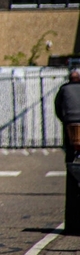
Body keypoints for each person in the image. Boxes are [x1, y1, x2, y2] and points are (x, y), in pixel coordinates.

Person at [55, 69, 80, 235]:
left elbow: (58, 110)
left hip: (72, 133)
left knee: (72, 173)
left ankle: (72, 221)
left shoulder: (63, 90)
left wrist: (67, 122)